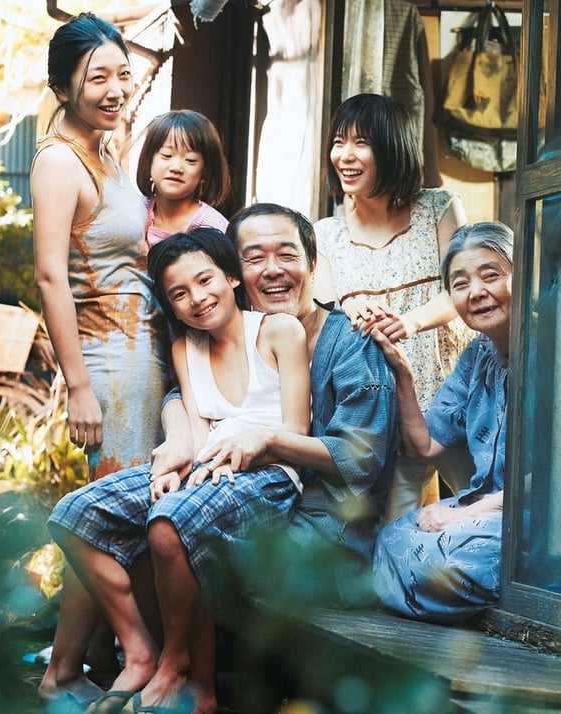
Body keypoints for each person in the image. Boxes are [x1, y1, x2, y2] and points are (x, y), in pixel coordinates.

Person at [47, 204, 400, 713]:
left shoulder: (349, 341)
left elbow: (358, 461)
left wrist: (265, 442)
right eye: (255, 257)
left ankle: (180, 674)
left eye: (287, 254)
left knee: (171, 529)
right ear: (239, 271)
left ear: (314, 262)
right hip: (228, 480)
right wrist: (179, 439)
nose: (272, 269)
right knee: (117, 514)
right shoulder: (213, 337)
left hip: (321, 527)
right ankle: (143, 662)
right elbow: (190, 399)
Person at [31, 13, 168, 702]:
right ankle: (113, 658)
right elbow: (52, 275)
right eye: (97, 77)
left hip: (141, 357)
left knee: (112, 517)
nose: (115, 89)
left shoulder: (110, 152)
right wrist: (77, 384)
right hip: (106, 364)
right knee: (109, 518)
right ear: (64, 85)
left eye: (122, 73)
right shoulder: (60, 160)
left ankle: (64, 669)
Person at [313, 92, 473, 521]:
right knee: (395, 525)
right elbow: (328, 315)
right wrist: (355, 311)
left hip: (452, 392)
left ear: (392, 147)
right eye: (338, 141)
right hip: (382, 402)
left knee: (486, 501)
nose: (344, 155)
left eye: (361, 142)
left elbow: (462, 289)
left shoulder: (439, 208)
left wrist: (409, 321)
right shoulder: (324, 235)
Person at [371, 221, 513, 624]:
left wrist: (463, 516)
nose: (477, 293)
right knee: (389, 539)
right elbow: (424, 445)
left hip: (532, 523)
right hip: (485, 510)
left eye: (491, 276)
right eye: (460, 283)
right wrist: (403, 375)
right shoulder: (478, 356)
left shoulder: (549, 349)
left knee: (444, 563)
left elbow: (544, 490)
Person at [136, 109, 231, 247]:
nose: (176, 168)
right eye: (167, 155)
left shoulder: (212, 226)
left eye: (190, 160)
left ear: (204, 174)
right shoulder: (135, 210)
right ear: (149, 162)